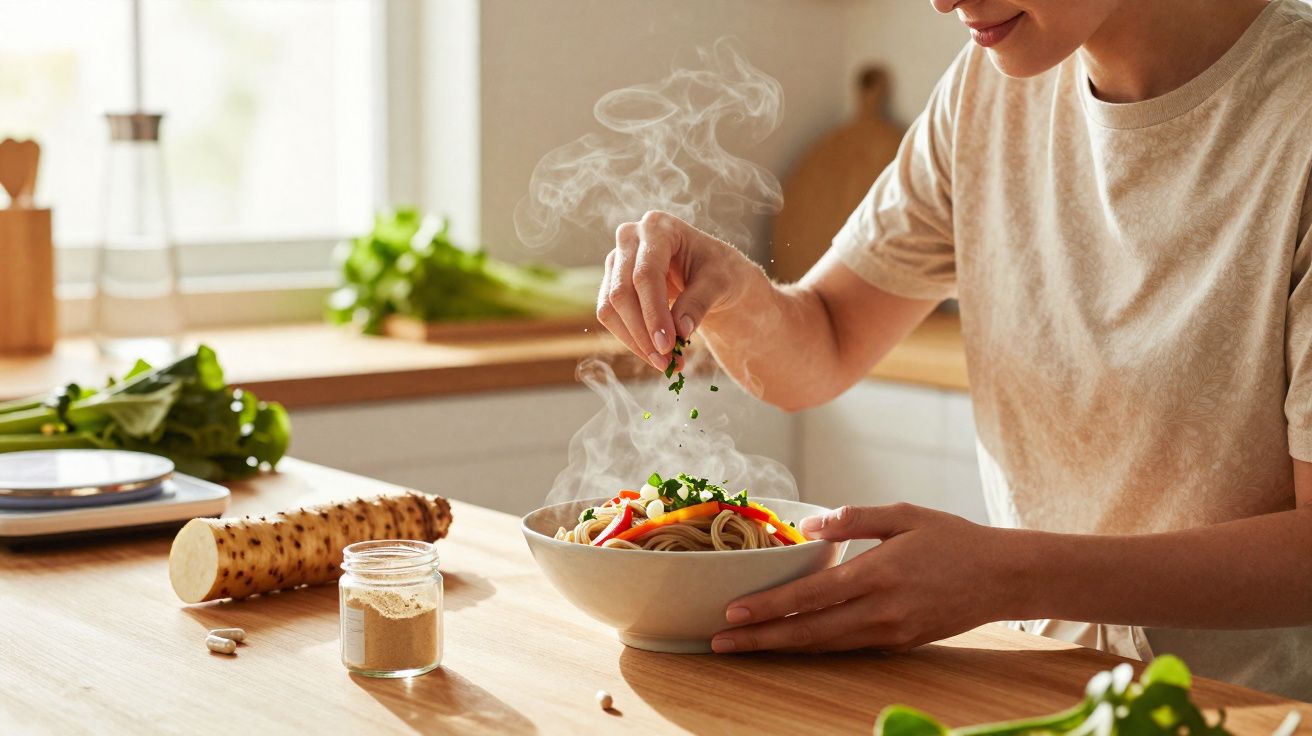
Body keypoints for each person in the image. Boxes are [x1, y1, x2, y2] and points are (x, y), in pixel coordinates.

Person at [595, 0, 1312, 700]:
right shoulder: (986, 88)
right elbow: (827, 340)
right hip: (1039, 690)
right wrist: (734, 292)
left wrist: (1010, 576)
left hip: (1257, 711)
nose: (942, 2)